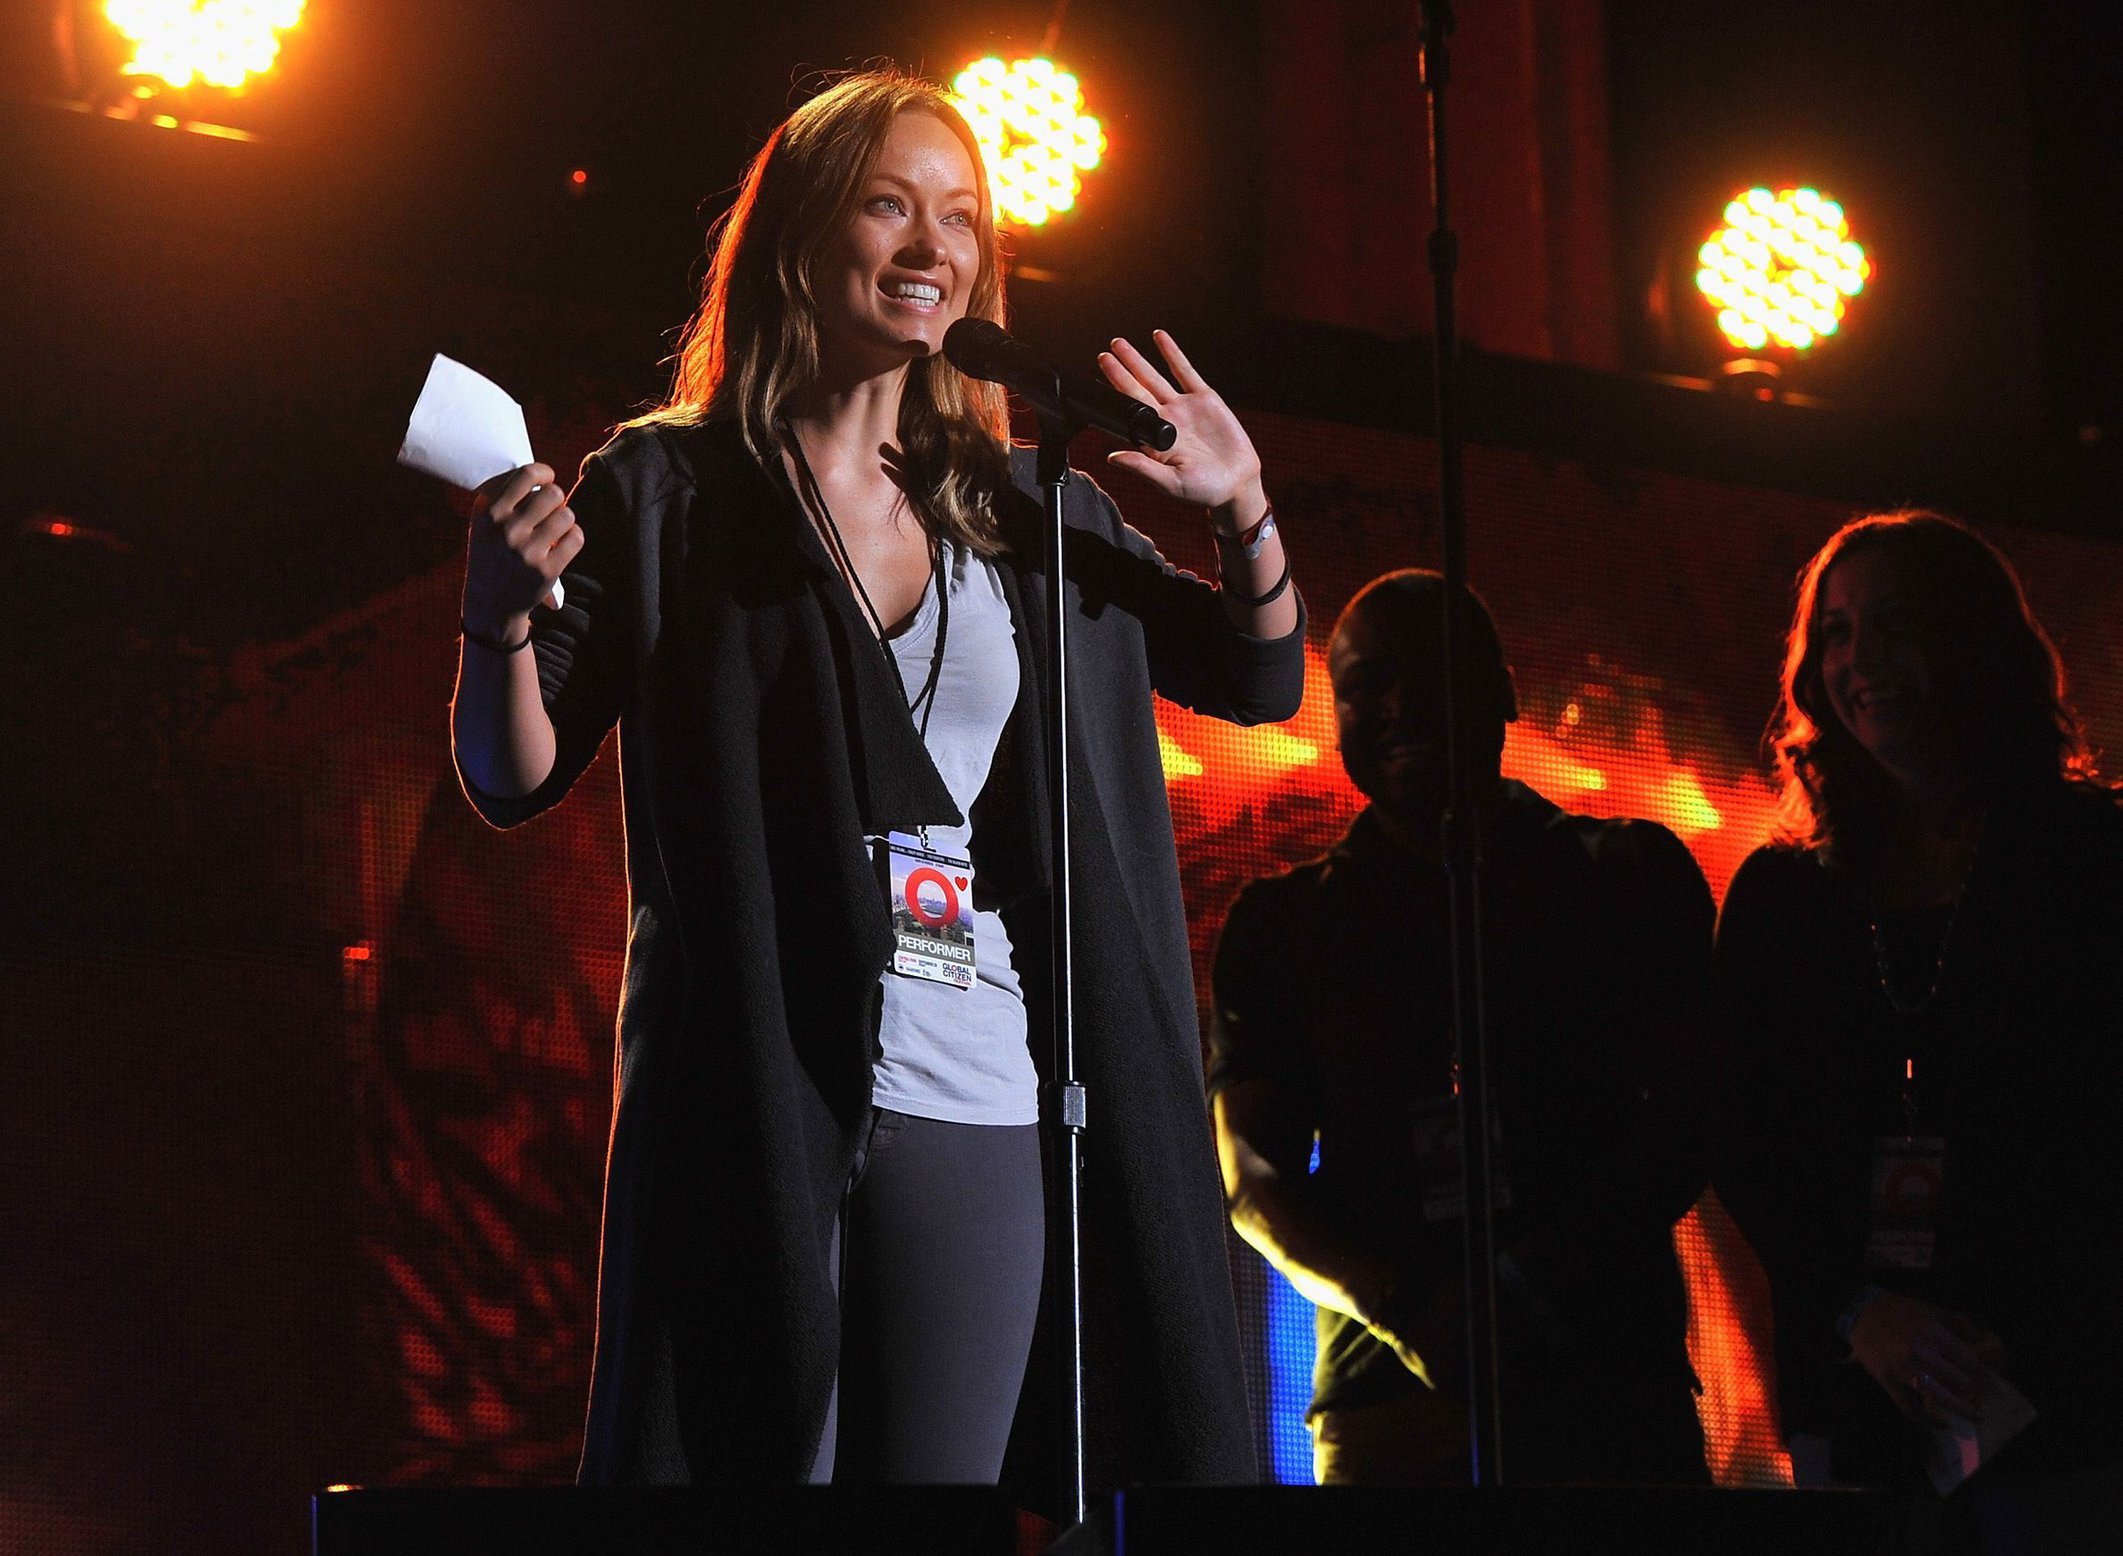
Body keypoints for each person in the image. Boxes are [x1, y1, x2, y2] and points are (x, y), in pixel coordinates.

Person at [448, 69, 1303, 1494]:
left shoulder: (1023, 507)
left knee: (933, 1510)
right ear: (799, 237)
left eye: (960, 219)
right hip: (752, 1090)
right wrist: (495, 622)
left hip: (978, 1085)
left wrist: (1242, 511)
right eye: (889, 206)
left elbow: (1254, 676)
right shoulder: (667, 491)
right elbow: (510, 772)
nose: (931, 249)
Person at [1208, 570, 1713, 1486]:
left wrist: (1513, 1290)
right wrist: (1403, 1307)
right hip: (1391, 1417)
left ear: (1503, 687)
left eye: (1430, 671)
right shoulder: (1282, 927)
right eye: (1364, 686)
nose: (1398, 705)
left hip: (1608, 1402)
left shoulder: (1627, 875)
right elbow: (1252, 1176)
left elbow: (1695, 1119)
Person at [1716, 511, 2123, 1544]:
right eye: (1838, 630)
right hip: (1854, 1393)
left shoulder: (2089, 861)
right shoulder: (1778, 894)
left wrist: (2023, 1327)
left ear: (1972, 640)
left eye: (1895, 624)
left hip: (2066, 1387)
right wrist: (1860, 1310)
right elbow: (1739, 1132)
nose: (1862, 659)